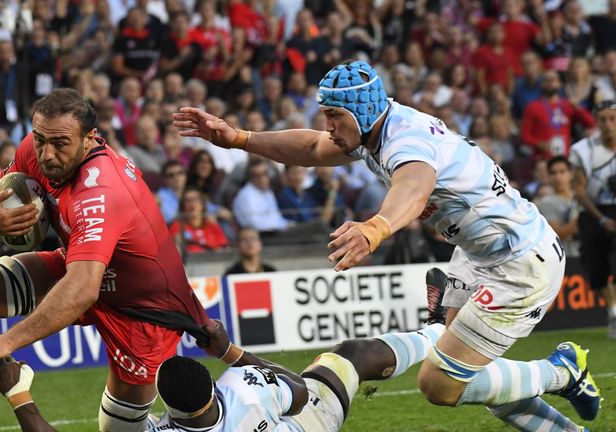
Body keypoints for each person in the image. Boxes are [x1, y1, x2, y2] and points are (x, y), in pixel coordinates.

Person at [173, 60, 601, 431]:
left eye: (334, 116)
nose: (328, 127)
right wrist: (241, 138)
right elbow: (310, 147)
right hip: (479, 254)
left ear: (361, 110)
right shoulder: (374, 132)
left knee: (440, 383)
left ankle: (560, 371)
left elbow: (414, 188)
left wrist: (374, 228)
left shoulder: (406, 139)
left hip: (519, 263)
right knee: (466, 369)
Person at [0, 88, 212, 432]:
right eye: (40, 140)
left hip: (138, 308)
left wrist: (5, 342)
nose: (47, 154)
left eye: (60, 144)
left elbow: (81, 290)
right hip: (80, 265)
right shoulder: (35, 148)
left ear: (89, 139)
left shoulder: (101, 191)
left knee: (118, 428)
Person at [0, 268, 593, 432]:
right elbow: (289, 383)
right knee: (359, 356)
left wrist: (17, 390)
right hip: (303, 418)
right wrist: (231, 352)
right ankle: (439, 331)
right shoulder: (238, 392)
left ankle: (443, 334)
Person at [570, 100, 616, 339]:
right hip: (593, 212)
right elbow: (579, 190)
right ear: (596, 122)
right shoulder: (583, 150)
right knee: (596, 270)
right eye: (603, 120)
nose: (608, 125)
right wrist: (601, 220)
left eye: (613, 118)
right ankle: (613, 310)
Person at [536, 156, 579, 259]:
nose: (558, 177)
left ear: (571, 174)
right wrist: (584, 215)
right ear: (548, 177)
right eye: (553, 173)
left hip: (589, 254)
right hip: (566, 257)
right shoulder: (546, 202)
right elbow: (558, 234)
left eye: (562, 171)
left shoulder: (581, 198)